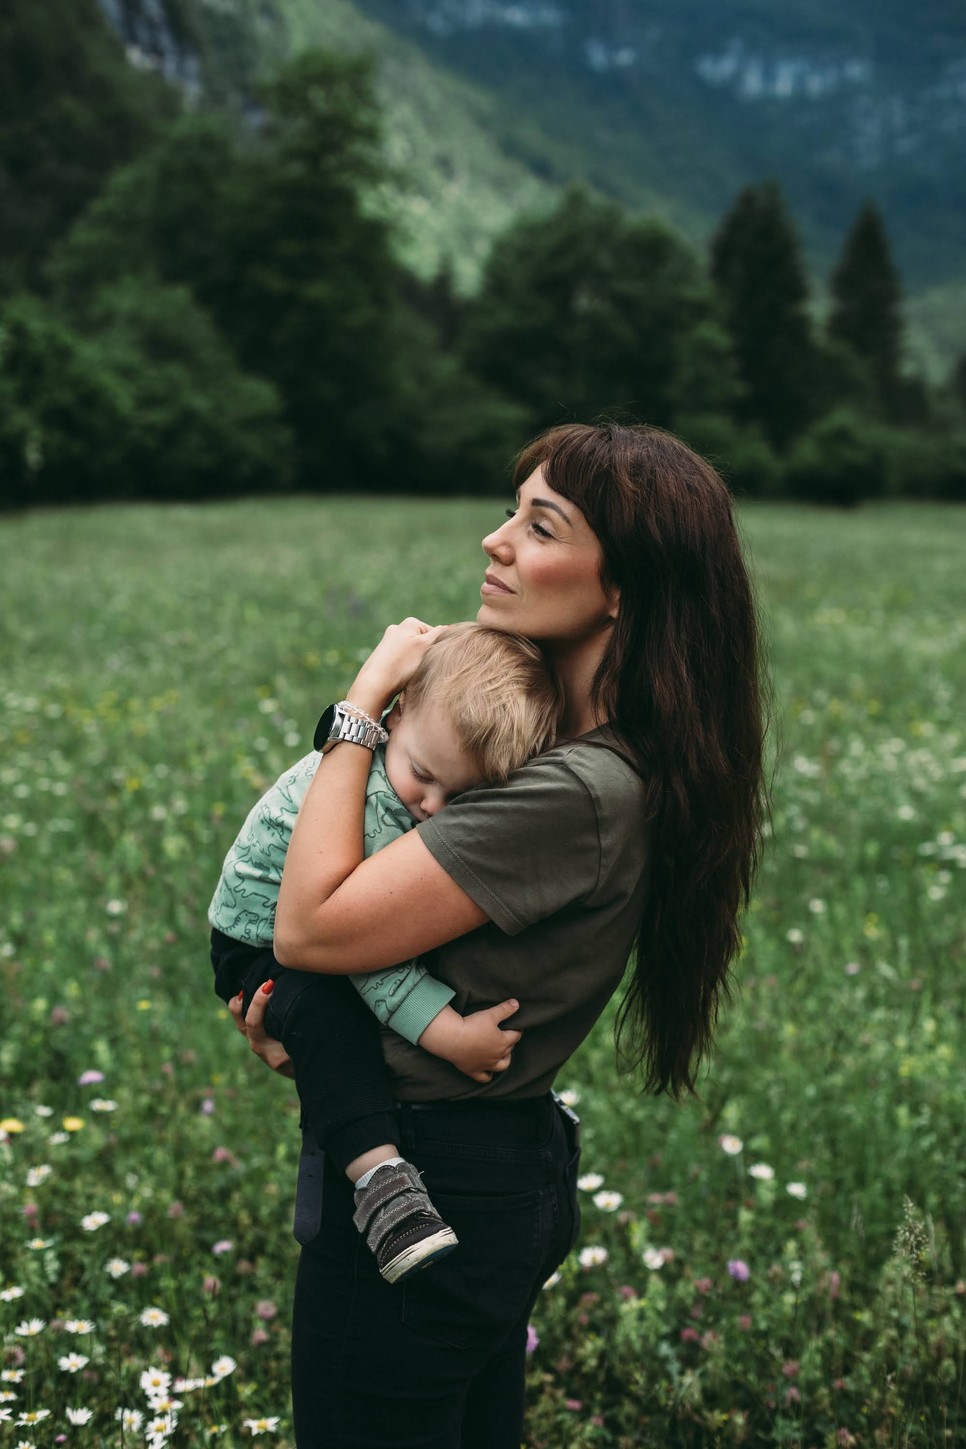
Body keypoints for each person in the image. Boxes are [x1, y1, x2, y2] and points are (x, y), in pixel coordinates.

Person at [232, 422, 767, 1449]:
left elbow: (306, 927)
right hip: (477, 1168)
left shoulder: (575, 790)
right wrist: (304, 1018)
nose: (495, 541)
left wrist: (357, 710)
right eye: (510, 512)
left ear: (624, 587)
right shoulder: (569, 754)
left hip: (425, 1178)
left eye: (539, 524)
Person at [209, 623, 561, 1283]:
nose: (432, 806)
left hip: (318, 936)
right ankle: (381, 1184)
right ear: (393, 720)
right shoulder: (374, 802)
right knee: (328, 1015)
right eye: (423, 778)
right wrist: (447, 1031)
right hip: (257, 943)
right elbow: (364, 953)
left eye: (461, 797)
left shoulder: (417, 763)